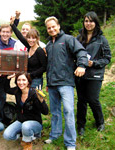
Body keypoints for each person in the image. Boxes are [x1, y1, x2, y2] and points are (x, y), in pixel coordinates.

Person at [43, 16, 88, 150]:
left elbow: (81, 52)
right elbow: (49, 66)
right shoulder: (49, 45)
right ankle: (55, 135)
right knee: (55, 112)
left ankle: (70, 143)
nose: (51, 29)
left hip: (66, 83)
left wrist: (82, 65)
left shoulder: (68, 39)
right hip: (52, 84)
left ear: (58, 26)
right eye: (49, 28)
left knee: (68, 111)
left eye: (53, 26)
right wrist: (47, 82)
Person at [75, 11, 111, 136]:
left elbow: (107, 58)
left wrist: (93, 63)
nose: (88, 24)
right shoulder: (78, 38)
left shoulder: (102, 40)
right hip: (80, 74)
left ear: (95, 22)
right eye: (86, 21)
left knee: (93, 99)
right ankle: (81, 126)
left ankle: (100, 122)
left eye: (91, 21)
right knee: (81, 101)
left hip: (95, 74)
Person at [3, 73, 49, 150]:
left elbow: (45, 112)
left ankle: (29, 141)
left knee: (26, 126)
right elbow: (6, 89)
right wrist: (8, 78)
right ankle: (26, 136)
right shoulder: (17, 91)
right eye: (19, 80)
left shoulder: (34, 94)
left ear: (28, 82)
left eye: (24, 80)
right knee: (7, 135)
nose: (21, 82)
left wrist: (41, 101)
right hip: (21, 121)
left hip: (34, 123)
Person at [10, 17, 47, 89]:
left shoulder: (39, 51)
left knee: (35, 98)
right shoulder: (29, 47)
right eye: (29, 38)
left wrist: (32, 75)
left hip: (36, 79)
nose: (31, 40)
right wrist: (12, 25)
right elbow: (20, 37)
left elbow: (44, 67)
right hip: (27, 78)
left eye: (33, 38)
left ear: (37, 39)